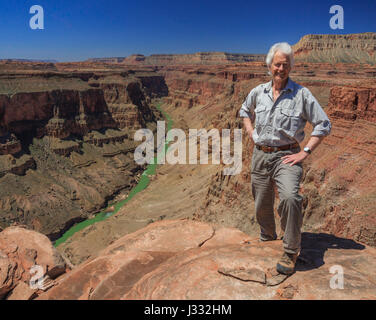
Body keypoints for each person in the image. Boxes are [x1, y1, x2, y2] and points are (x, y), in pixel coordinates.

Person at [239, 42, 331, 275]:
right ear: (270, 65)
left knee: (290, 198)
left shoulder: (302, 94)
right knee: (261, 202)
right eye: (278, 64)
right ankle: (267, 236)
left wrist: (305, 152)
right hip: (260, 154)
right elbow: (244, 112)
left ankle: (290, 251)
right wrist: (251, 133)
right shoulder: (258, 92)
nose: (282, 68)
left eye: (286, 65)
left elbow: (323, 124)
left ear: (291, 67)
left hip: (287, 155)